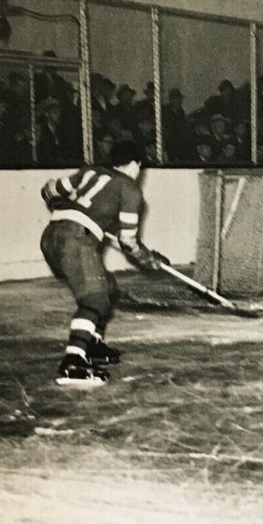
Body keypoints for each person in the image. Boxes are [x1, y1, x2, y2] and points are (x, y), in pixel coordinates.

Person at [39, 140, 169, 387]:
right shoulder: (129, 189)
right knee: (95, 299)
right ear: (134, 164)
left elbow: (49, 190)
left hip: (51, 236)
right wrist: (148, 260)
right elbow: (129, 242)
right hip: (75, 240)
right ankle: (74, 360)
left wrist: (57, 201)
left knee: (107, 287)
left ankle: (93, 344)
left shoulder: (90, 172)